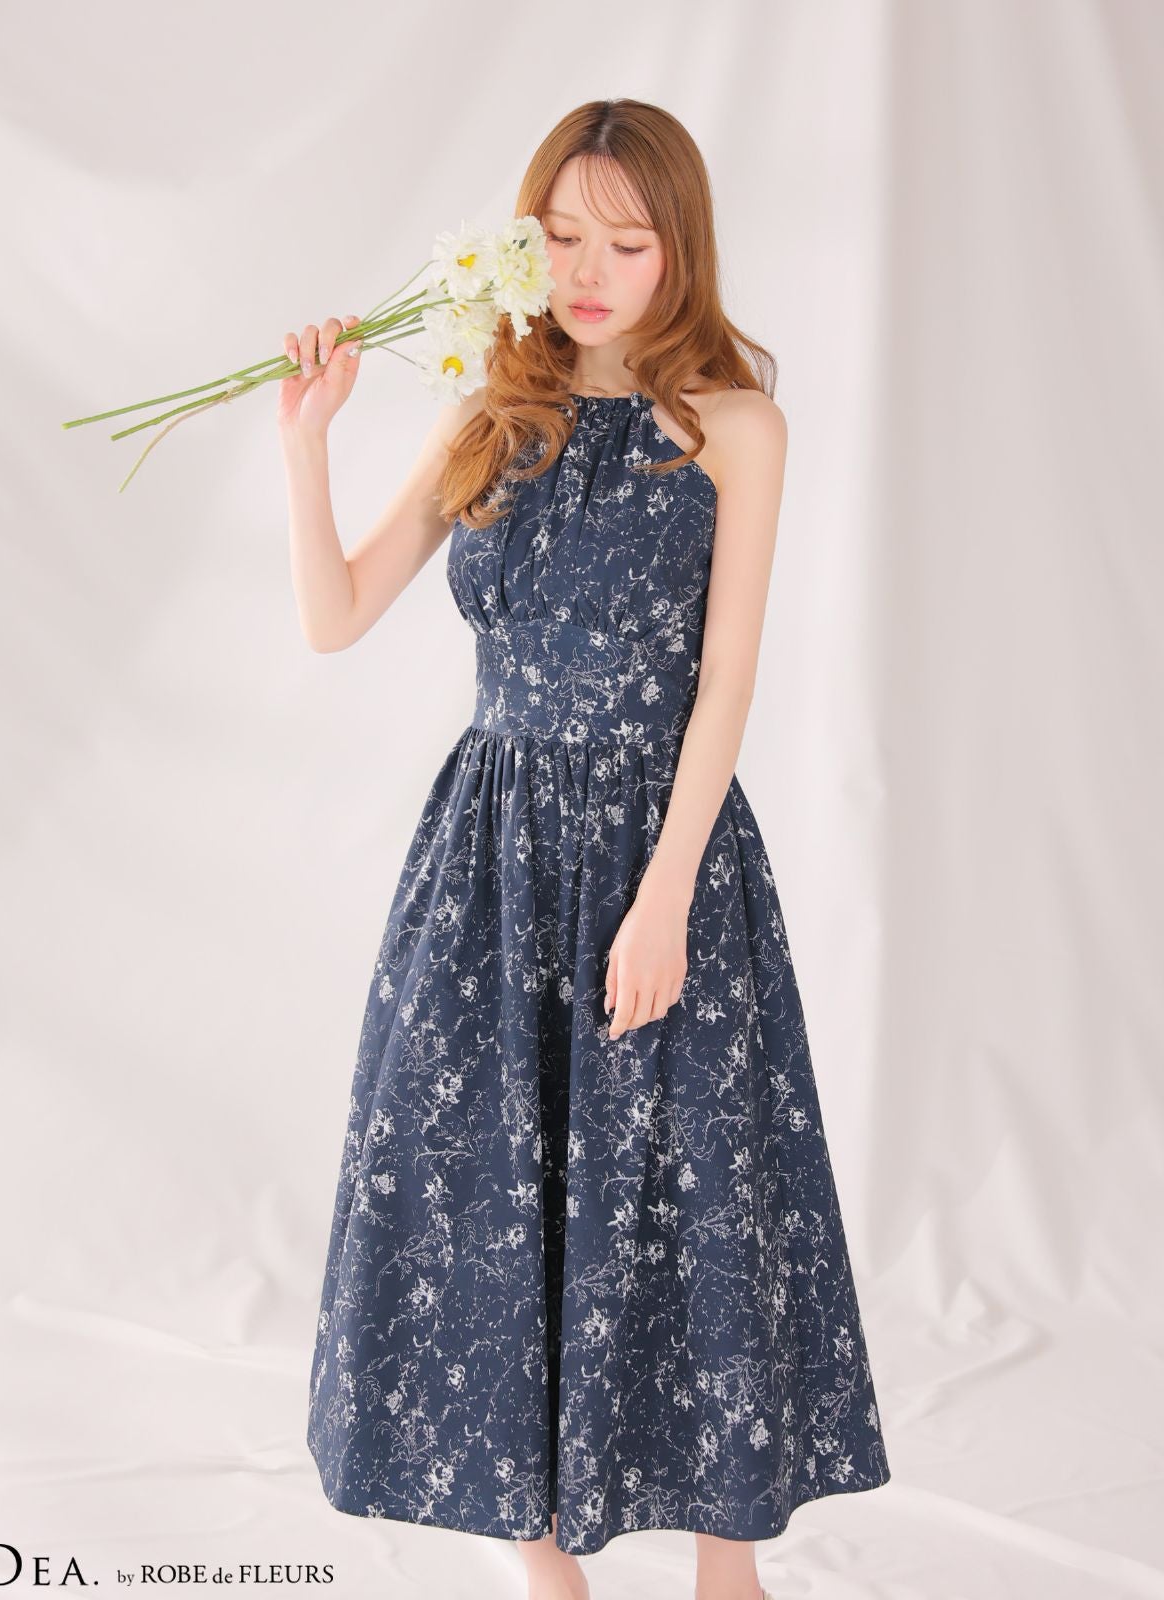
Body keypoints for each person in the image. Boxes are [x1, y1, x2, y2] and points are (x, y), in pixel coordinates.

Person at [281, 98, 891, 1600]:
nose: (589, 272)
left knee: (702, 1192)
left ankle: (728, 1571)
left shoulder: (734, 427)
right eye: (560, 237)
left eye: (628, 241)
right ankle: (547, 1570)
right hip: (489, 862)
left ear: (681, 248)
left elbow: (726, 681)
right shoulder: (490, 411)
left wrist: (665, 895)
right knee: (492, 1194)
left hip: (661, 848)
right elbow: (336, 615)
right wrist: (308, 443)